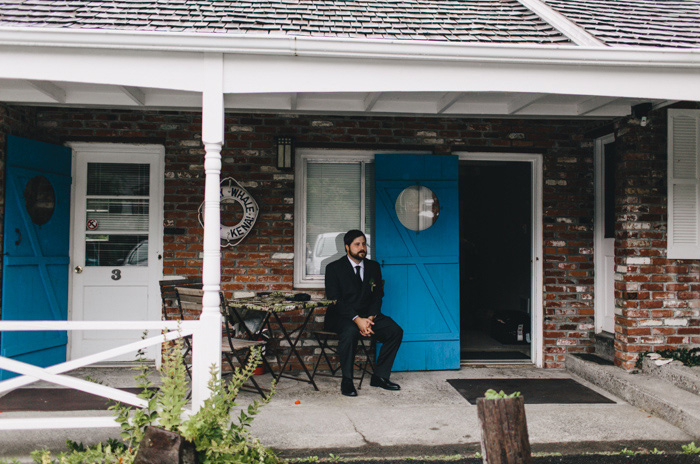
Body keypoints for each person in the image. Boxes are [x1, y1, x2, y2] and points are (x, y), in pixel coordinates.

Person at [324, 229, 403, 397]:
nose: (362, 248)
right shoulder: (333, 268)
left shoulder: (373, 267)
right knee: (350, 332)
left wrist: (370, 318)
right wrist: (357, 319)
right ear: (347, 247)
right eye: (357, 244)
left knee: (395, 331)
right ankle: (347, 381)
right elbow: (335, 299)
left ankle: (380, 377)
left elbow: (377, 295)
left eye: (363, 244)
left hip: (368, 315)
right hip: (342, 316)